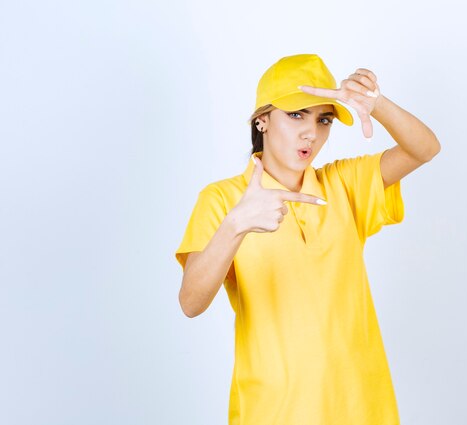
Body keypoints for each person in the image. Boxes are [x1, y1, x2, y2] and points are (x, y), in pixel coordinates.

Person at [174, 53, 440, 425]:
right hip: (275, 411)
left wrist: (375, 103)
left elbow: (424, 149)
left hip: (361, 406)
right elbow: (191, 302)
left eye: (324, 119)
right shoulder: (222, 200)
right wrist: (235, 226)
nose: (311, 133)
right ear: (262, 120)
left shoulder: (343, 184)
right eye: (296, 114)